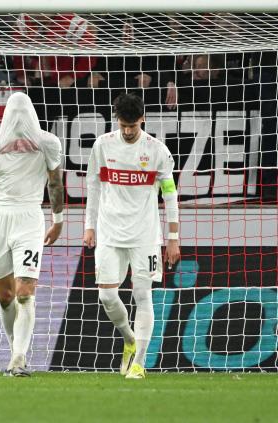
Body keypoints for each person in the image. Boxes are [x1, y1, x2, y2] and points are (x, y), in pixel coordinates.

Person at [83, 93, 180, 379]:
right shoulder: (102, 146)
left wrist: (173, 236)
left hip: (145, 236)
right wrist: (89, 226)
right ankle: (128, 338)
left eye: (132, 126)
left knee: (143, 295)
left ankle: (139, 361)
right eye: (123, 126)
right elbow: (93, 186)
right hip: (109, 233)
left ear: (143, 120)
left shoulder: (157, 151)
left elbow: (170, 195)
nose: (127, 131)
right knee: (107, 296)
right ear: (117, 120)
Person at [0, 92, 64, 376]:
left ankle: (19, 358)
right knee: (4, 295)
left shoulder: (48, 142)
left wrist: (58, 219)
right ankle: (15, 351)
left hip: (29, 218)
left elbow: (56, 182)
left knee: (25, 292)